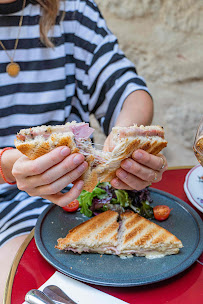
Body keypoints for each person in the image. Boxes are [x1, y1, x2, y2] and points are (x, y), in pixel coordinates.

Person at [0, 0, 167, 299]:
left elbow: (128, 90)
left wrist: (124, 139)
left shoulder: (71, 10)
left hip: (74, 200)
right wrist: (6, 167)